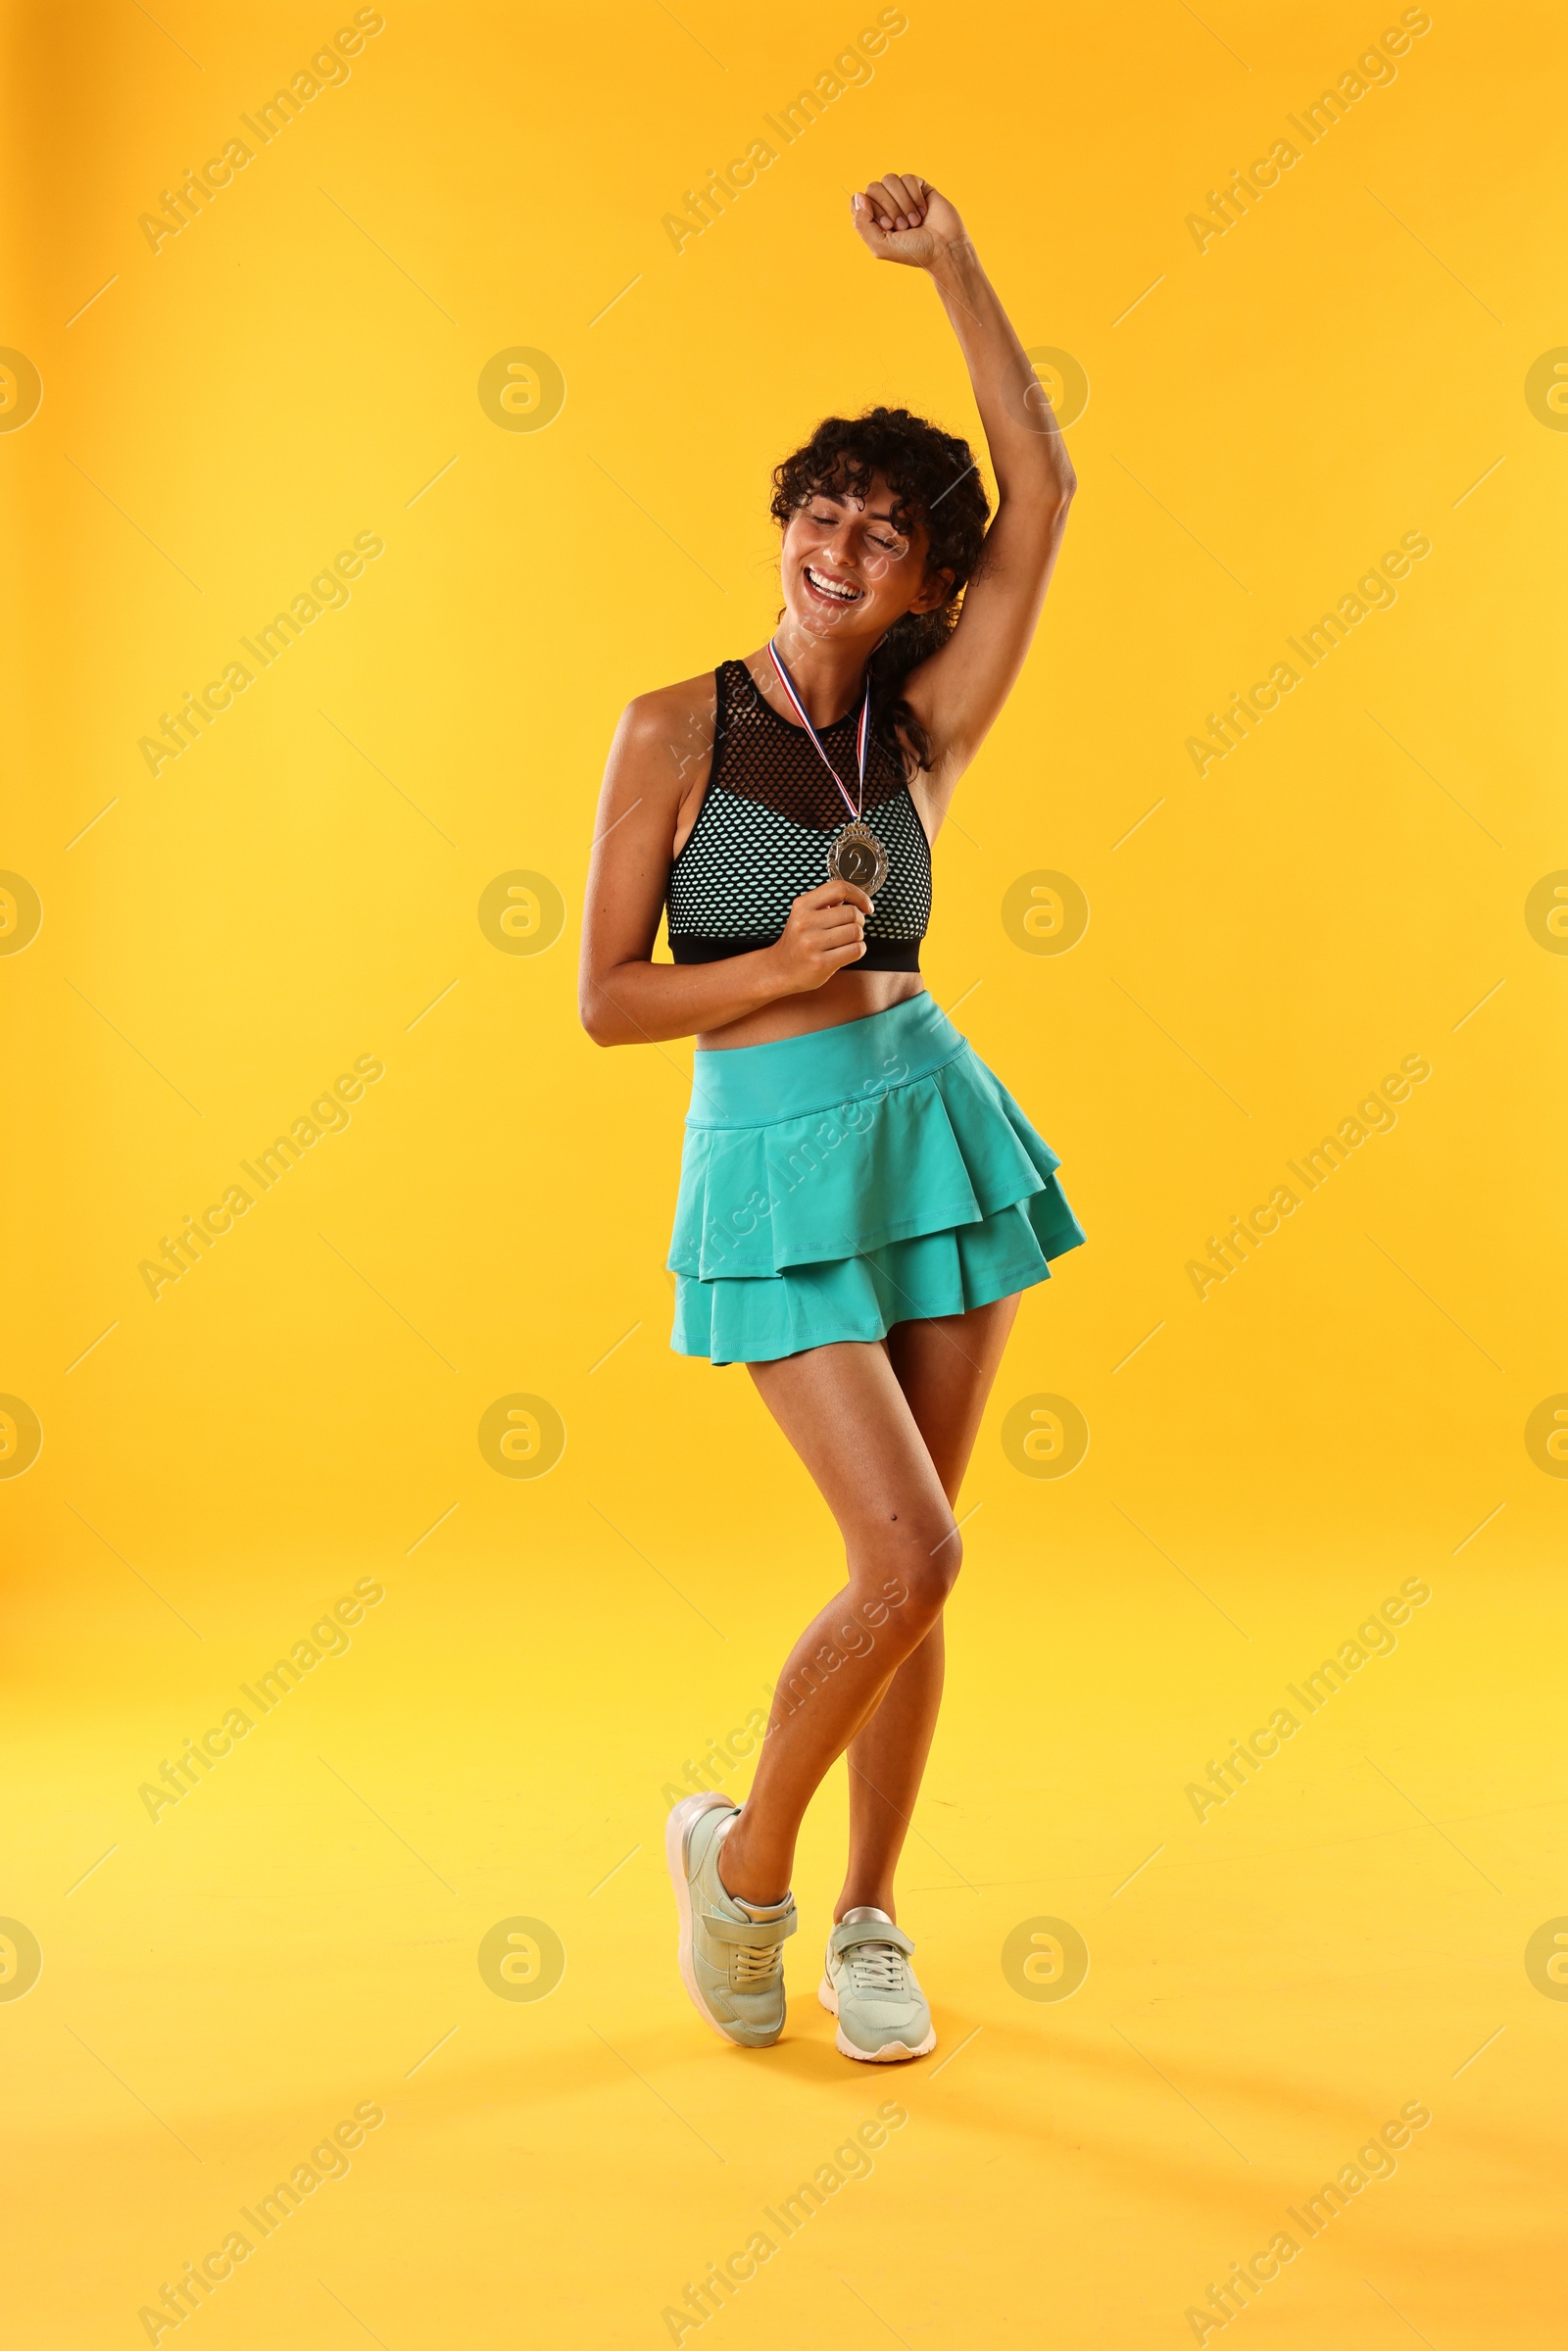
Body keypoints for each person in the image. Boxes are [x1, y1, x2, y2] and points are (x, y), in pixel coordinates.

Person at [579, 173, 1084, 2062]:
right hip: (772, 1154)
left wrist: (956, 261)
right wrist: (775, 971)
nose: (842, 548)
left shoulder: (929, 725)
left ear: (928, 586)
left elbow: (1041, 499)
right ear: (783, 529)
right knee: (910, 1556)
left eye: (885, 536)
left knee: (921, 1549)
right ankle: (749, 1864)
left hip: (932, 1124)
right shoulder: (674, 729)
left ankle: (869, 1916)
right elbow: (609, 1000)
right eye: (823, 514)